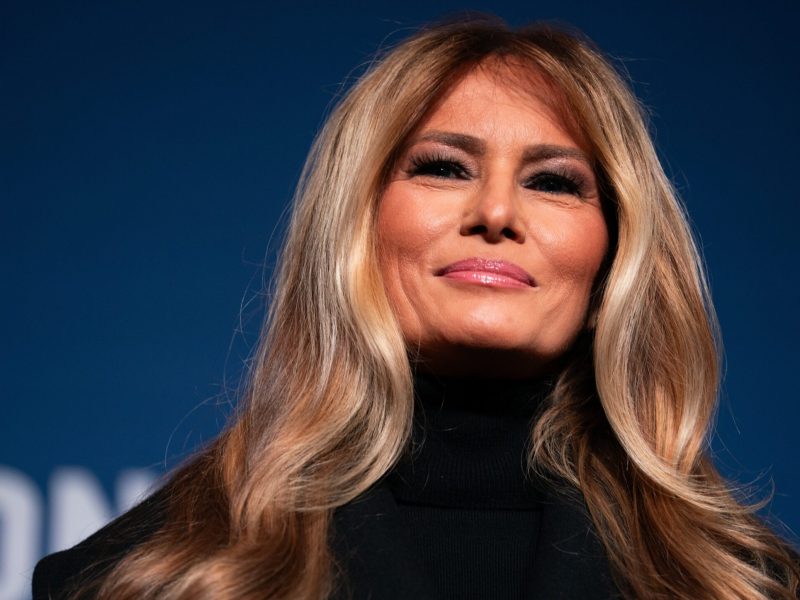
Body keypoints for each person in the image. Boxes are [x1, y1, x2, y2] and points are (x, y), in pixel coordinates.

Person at [32, 16, 799, 600]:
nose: (496, 211)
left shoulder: (750, 585)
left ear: (613, 259)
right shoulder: (148, 577)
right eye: (443, 168)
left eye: (553, 182)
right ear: (356, 228)